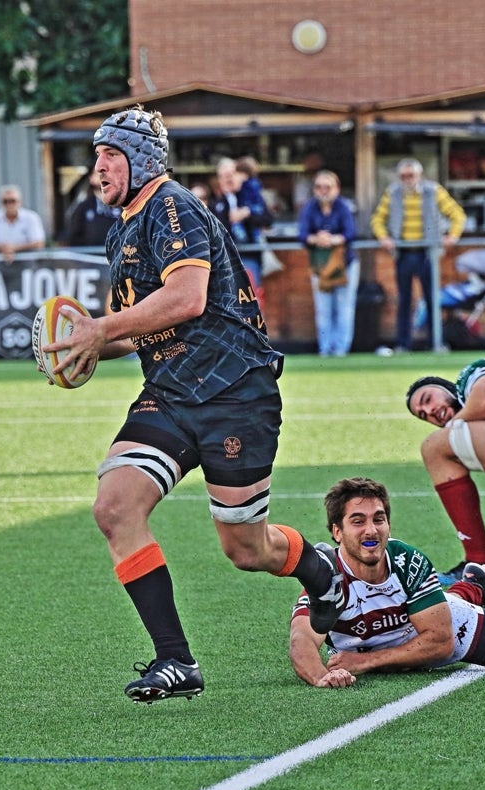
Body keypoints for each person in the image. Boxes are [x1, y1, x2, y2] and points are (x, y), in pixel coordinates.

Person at [45, 106, 343, 704]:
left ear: (142, 160)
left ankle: (321, 571)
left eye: (110, 156)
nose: (97, 168)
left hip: (235, 392)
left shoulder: (171, 204)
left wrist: (100, 328)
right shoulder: (122, 227)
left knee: (246, 549)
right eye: (95, 157)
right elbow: (141, 329)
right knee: (114, 506)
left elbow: (185, 297)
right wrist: (86, 349)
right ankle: (175, 660)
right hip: (171, 393)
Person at [288, 477, 485, 689]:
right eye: (358, 521)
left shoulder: (408, 561)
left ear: (389, 524)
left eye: (378, 519)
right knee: (438, 603)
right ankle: (471, 588)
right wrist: (324, 677)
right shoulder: (327, 577)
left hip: (437, 637)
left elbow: (441, 641)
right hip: (416, 625)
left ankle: (469, 590)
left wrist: (365, 661)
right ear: (337, 532)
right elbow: (302, 640)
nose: (371, 530)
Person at [405, 357, 485, 584]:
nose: (429, 411)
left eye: (427, 399)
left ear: (448, 388)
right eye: (423, 415)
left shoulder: (470, 377)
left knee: (434, 447)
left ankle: (479, 562)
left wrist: (454, 425)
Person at [370, 158, 466, 353]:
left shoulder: (434, 191)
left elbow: (457, 214)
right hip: (403, 253)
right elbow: (377, 219)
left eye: (410, 175)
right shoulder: (393, 193)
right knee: (404, 299)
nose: (407, 180)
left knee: (432, 299)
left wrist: (453, 236)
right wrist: (384, 237)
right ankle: (403, 344)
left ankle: (435, 343)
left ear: (419, 176)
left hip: (427, 252)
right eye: (403, 176)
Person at [297, 170, 359, 357]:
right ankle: (325, 349)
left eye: (327, 187)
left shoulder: (343, 207)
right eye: (319, 187)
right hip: (320, 265)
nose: (323, 191)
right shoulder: (309, 207)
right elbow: (302, 234)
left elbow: (351, 233)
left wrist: (333, 239)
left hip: (345, 264)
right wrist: (317, 238)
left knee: (344, 307)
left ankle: (341, 350)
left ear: (337, 189)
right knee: (323, 309)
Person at [209, 156, 274, 289]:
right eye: (224, 176)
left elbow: (268, 219)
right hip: (224, 260)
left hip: (248, 255)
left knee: (250, 299)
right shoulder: (216, 203)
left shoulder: (251, 196)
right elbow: (216, 232)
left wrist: (247, 213)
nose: (228, 179)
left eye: (231, 174)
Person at [0, 185, 46, 263]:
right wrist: (4, 248)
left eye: (12, 201)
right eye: (5, 201)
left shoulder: (31, 217)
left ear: (19, 202)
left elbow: (39, 243)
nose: (9, 205)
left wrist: (14, 248)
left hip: (28, 264)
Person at [59, 170, 121, 247]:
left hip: (117, 256)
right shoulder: (84, 207)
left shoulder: (120, 204)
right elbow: (71, 234)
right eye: (98, 174)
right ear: (91, 179)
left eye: (105, 174)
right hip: (91, 257)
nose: (102, 177)